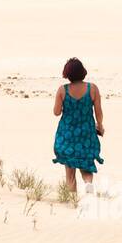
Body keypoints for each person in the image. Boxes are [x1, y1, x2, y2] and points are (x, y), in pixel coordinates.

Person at [52, 57, 104, 194]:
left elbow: (56, 112)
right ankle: (88, 184)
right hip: (86, 132)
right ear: (82, 71)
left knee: (70, 170)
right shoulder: (92, 88)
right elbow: (98, 112)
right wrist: (100, 125)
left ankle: (72, 199)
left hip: (67, 133)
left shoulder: (62, 90)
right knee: (86, 164)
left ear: (67, 74)